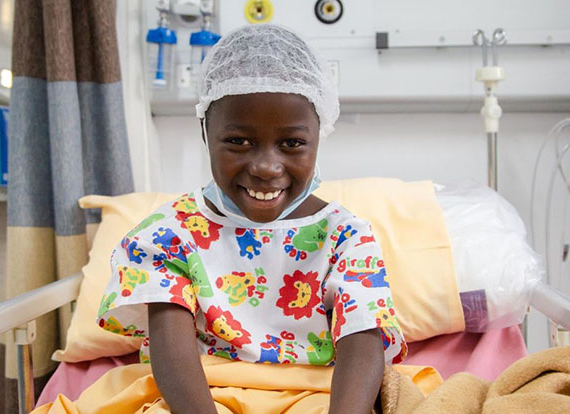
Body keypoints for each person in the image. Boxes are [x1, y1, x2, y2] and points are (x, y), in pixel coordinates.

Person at [97, 24, 406, 414]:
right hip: (203, 394)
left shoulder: (345, 237)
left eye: (292, 143)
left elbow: (362, 338)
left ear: (319, 136)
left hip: (316, 394)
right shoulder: (168, 235)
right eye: (239, 141)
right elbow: (170, 345)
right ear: (205, 131)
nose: (265, 167)